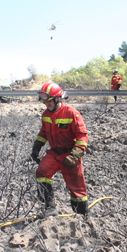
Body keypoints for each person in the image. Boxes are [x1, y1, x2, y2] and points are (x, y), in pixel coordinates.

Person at [31, 82, 89, 217]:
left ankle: (82, 215)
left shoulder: (71, 113)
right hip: (54, 153)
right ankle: (50, 208)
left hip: (70, 154)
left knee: (77, 188)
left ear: (58, 98)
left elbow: (82, 136)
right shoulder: (46, 114)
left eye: (49, 101)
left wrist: (73, 156)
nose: (47, 104)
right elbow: (43, 133)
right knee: (42, 172)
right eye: (45, 102)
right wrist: (36, 148)